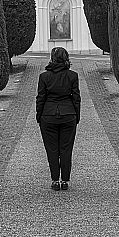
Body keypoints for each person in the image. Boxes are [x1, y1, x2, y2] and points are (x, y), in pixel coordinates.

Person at [36, 47, 81, 190]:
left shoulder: (44, 77)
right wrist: (76, 115)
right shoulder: (72, 76)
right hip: (68, 115)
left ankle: (55, 180)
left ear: (52, 58)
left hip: (48, 115)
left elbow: (40, 98)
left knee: (52, 149)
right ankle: (65, 180)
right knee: (66, 149)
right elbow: (76, 98)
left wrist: (39, 115)